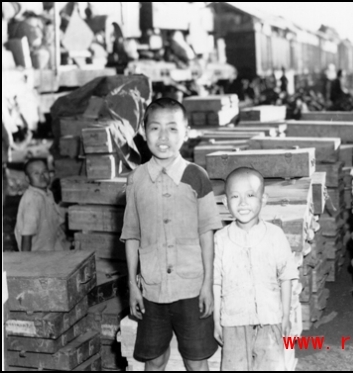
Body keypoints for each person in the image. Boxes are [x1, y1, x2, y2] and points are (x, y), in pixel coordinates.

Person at [120, 97, 222, 371]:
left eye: (173, 128)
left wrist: (207, 286)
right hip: (152, 290)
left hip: (191, 287)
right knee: (154, 359)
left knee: (196, 360)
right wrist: (133, 286)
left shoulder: (196, 176)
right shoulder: (136, 180)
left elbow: (207, 235)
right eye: (155, 128)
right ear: (143, 132)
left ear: (186, 133)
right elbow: (131, 236)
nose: (163, 137)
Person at [213, 167, 299, 371]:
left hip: (270, 319)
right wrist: (216, 321)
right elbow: (216, 282)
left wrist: (285, 316)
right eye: (235, 196)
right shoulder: (221, 239)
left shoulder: (275, 235)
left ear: (264, 199)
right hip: (233, 321)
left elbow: (287, 277)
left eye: (251, 195)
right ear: (225, 202)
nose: (243, 203)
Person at [14, 158, 70, 252]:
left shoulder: (48, 194)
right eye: (36, 173)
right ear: (28, 179)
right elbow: (26, 235)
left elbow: (56, 221)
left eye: (44, 171)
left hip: (50, 250)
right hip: (36, 254)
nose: (42, 176)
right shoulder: (32, 200)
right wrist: (25, 260)